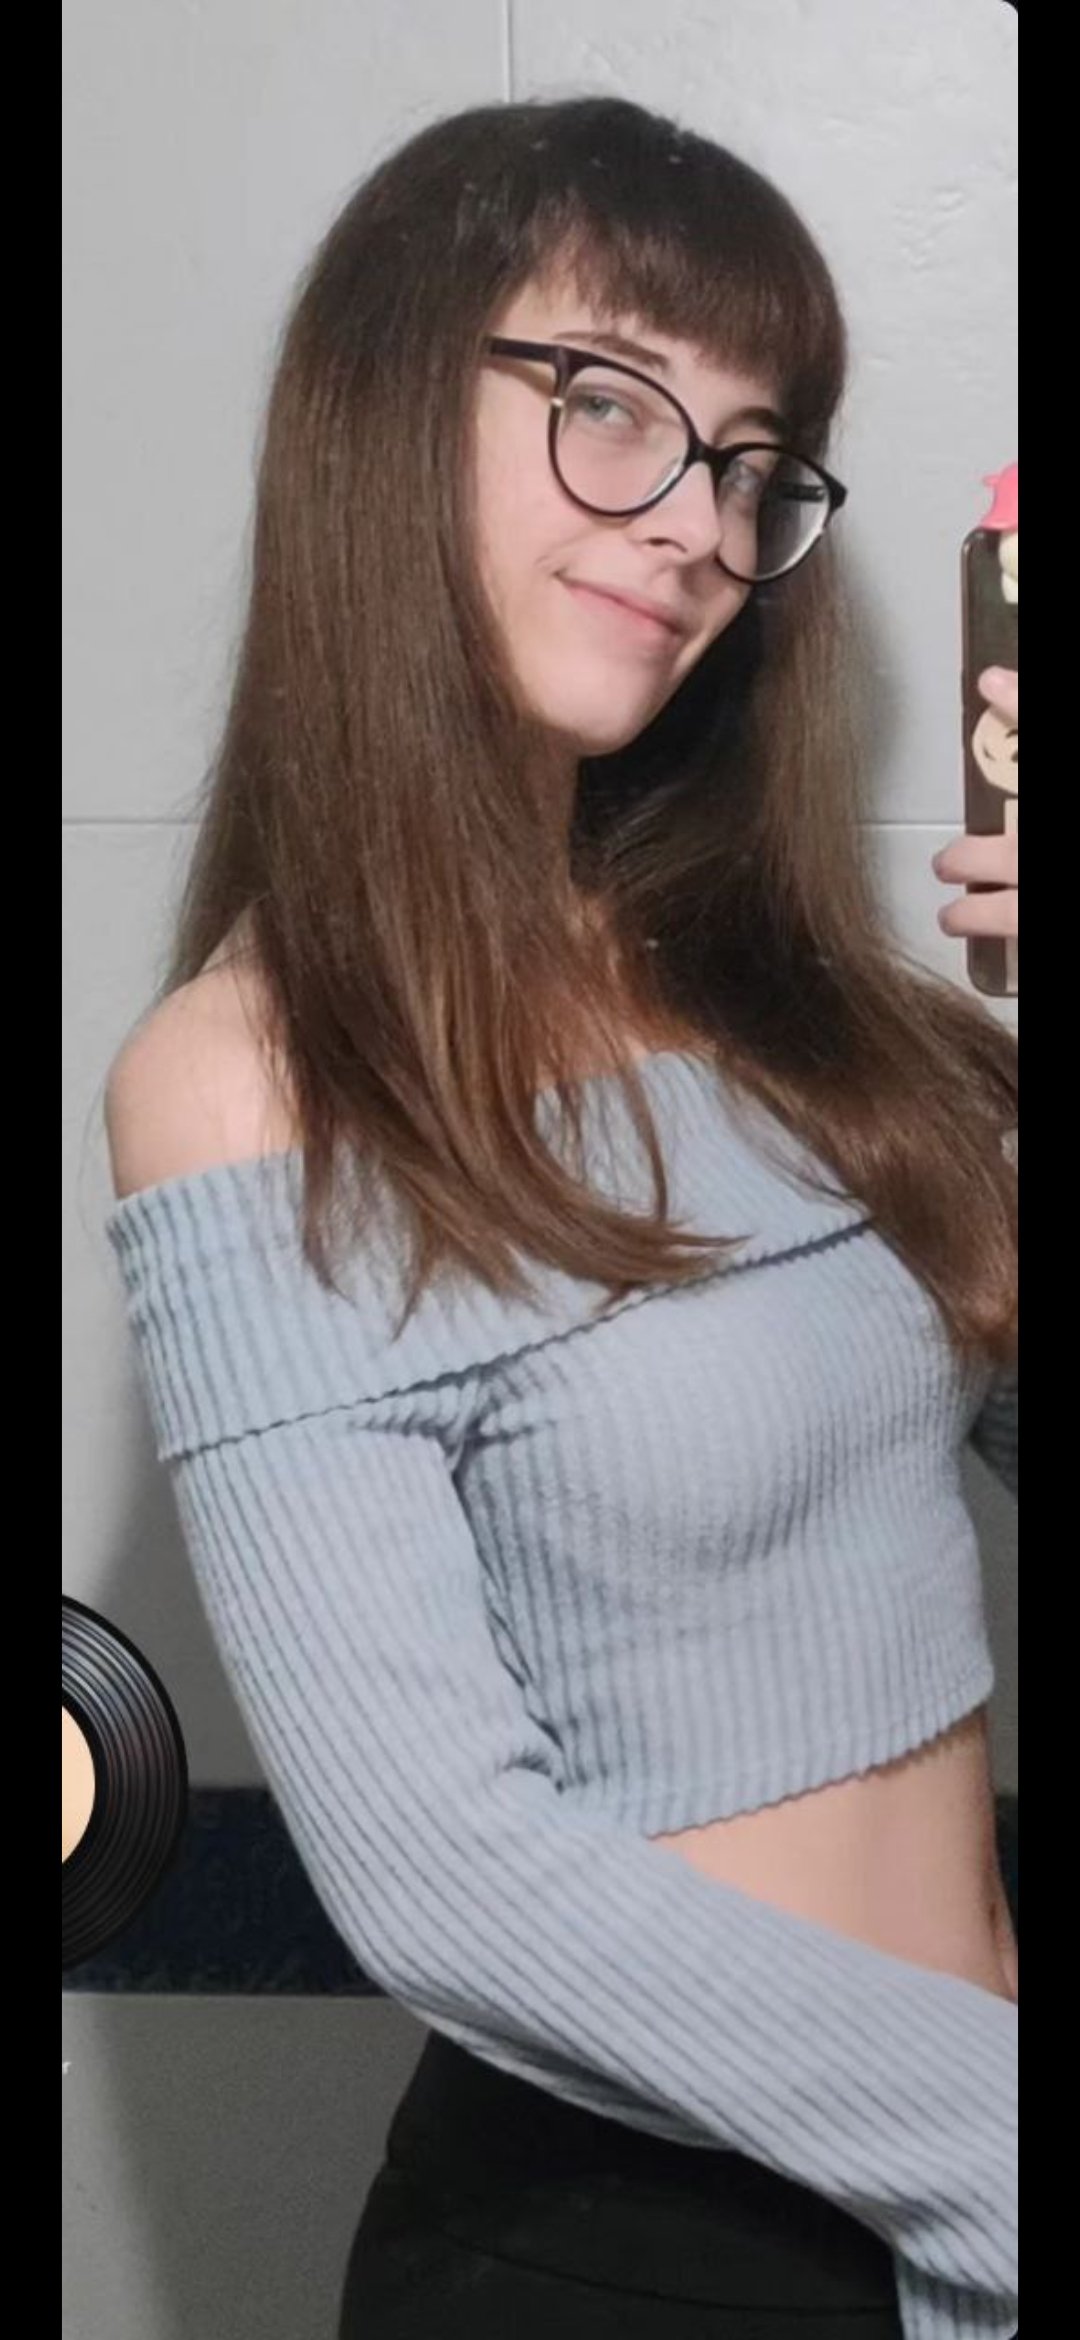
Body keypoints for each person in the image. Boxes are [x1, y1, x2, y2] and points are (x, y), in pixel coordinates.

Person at [101, 97, 1018, 2340]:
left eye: (753, 459)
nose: (697, 522)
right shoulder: (248, 1079)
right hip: (642, 2256)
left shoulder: (786, 1006)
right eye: (609, 402)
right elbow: (450, 1877)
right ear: (386, 409)